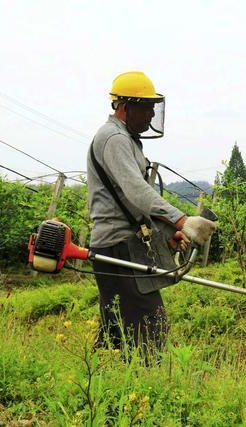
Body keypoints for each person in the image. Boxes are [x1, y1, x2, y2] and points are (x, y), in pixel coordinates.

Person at [86, 71, 216, 353]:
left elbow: (134, 202)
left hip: (123, 245)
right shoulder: (114, 139)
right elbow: (137, 191)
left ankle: (104, 385)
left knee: (117, 328)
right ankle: (147, 382)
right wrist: (182, 219)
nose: (151, 114)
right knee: (149, 326)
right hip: (116, 247)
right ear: (125, 106)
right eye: (146, 107)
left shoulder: (127, 141)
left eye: (153, 107)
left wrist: (169, 230)